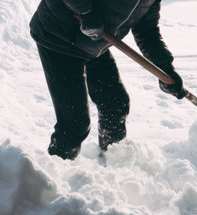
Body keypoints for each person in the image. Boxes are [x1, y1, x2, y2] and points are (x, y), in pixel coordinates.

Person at [30, 0, 186, 160]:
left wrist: (166, 68)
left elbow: (147, 30)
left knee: (115, 104)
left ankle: (111, 163)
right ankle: (49, 179)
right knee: (75, 124)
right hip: (58, 37)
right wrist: (86, 12)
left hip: (93, 45)